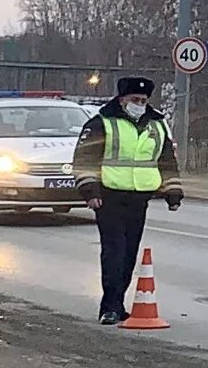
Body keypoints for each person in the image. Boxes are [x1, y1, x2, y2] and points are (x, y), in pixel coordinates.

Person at [71, 75, 183, 323]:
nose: (140, 103)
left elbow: (166, 161)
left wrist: (172, 192)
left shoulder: (157, 124)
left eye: (144, 100)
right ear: (122, 100)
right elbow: (84, 160)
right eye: (135, 99)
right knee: (114, 251)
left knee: (129, 253)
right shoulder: (101, 123)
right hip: (109, 196)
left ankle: (118, 304)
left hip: (139, 198)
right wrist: (90, 191)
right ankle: (109, 307)